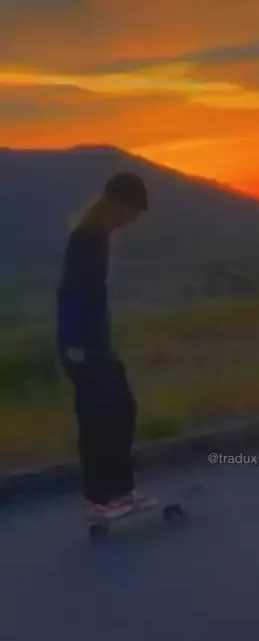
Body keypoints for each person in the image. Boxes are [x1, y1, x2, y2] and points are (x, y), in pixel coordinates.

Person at [57, 172, 158, 524]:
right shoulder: (86, 239)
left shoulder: (98, 237)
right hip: (82, 345)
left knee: (121, 409)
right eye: (132, 211)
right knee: (98, 418)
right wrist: (76, 346)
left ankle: (121, 492)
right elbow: (71, 293)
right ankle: (99, 500)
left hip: (95, 341)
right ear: (116, 205)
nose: (133, 219)